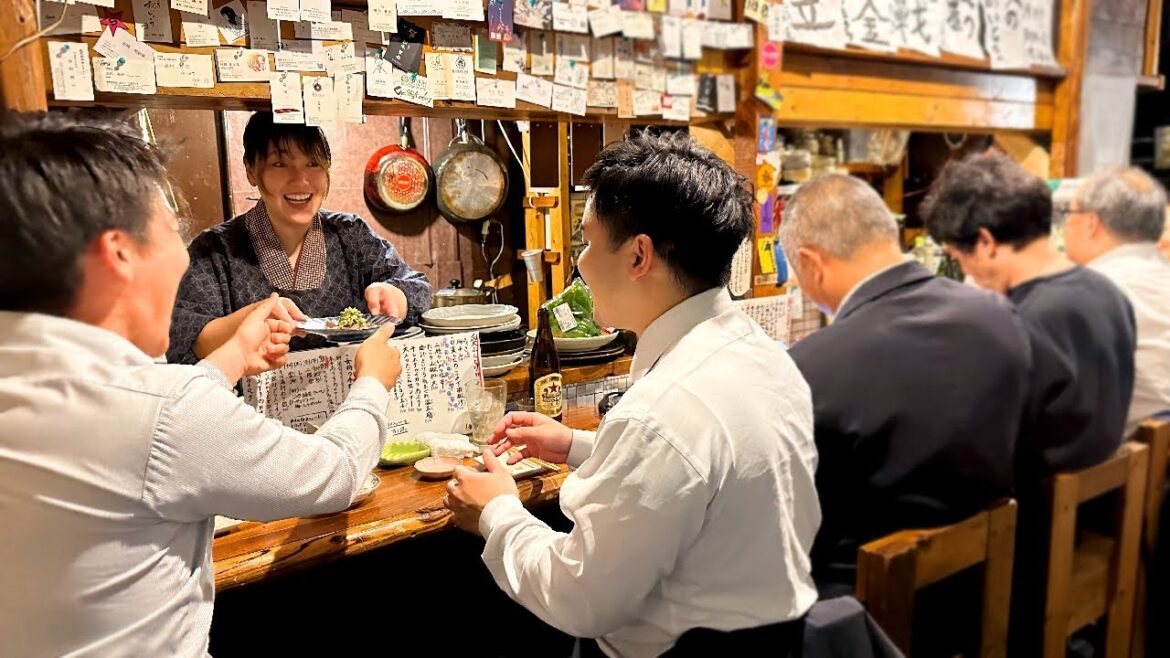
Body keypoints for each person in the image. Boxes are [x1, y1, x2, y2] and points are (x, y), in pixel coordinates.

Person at [0, 113, 402, 656]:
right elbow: (331, 478)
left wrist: (231, 358)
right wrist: (372, 385)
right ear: (119, 254)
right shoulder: (163, 409)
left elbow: (160, 419)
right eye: (171, 227)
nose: (180, 254)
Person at [446, 132, 819, 657]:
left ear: (639, 255)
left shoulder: (662, 414)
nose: (580, 263)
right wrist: (577, 447)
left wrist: (497, 512)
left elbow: (581, 599)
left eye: (589, 243)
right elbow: (701, 477)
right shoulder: (763, 354)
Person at [777, 174, 1033, 592]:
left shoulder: (812, 367)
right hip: (989, 581)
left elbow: (791, 523)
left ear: (811, 262)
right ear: (889, 233)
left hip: (864, 608)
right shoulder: (999, 314)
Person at [922, 152, 1135, 484]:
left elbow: (980, 437)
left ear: (985, 242)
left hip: (1032, 511)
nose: (965, 271)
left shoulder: (1015, 321)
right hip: (1100, 491)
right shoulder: (1108, 290)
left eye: (957, 256)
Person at [168, 112, 432, 365]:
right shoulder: (215, 251)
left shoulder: (351, 235)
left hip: (349, 400)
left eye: (312, 163)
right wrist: (250, 320)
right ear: (251, 169)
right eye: (280, 164)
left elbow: (418, 288)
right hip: (249, 407)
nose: (301, 179)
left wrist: (396, 295)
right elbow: (181, 337)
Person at [1063, 167, 1170, 433]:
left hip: (1117, 458)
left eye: (1068, 214)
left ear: (1090, 223)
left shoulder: (1093, 289)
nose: (1063, 225)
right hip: (1156, 452)